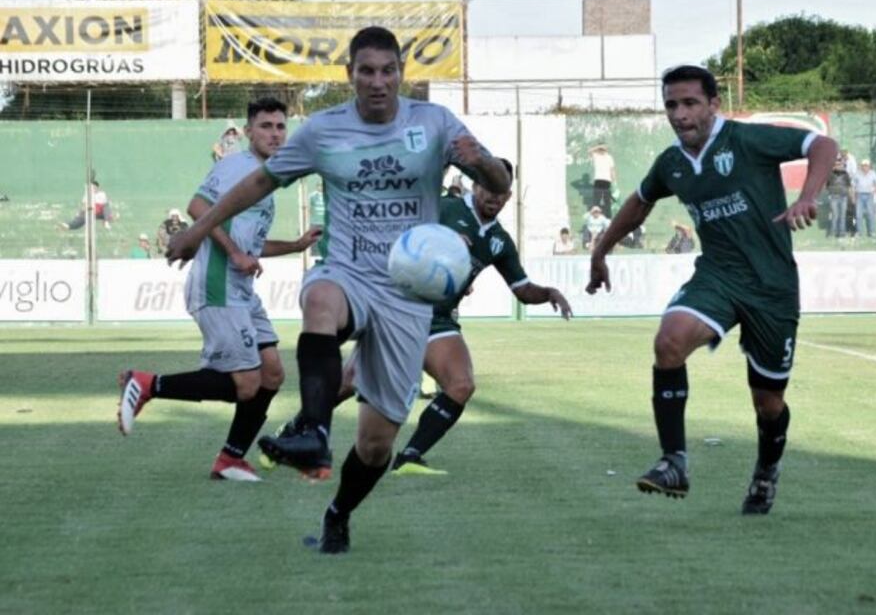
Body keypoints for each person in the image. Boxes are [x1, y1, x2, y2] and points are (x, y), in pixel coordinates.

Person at [165, 27, 510, 554]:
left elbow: (498, 183)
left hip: (408, 295)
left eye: (387, 71)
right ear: (349, 75)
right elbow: (258, 183)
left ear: (401, 74)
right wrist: (195, 231)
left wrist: (481, 163)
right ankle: (315, 433)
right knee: (318, 301)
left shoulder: (434, 122)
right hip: (348, 269)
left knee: (376, 445)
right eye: (366, 71)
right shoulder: (323, 130)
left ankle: (338, 514)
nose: (378, 82)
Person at [586, 65, 837, 515]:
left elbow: (823, 143)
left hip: (771, 287)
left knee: (768, 403)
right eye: (671, 105)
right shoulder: (673, 164)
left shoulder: (747, 141)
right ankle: (674, 461)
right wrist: (600, 251)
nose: (679, 115)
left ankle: (765, 471)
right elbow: (640, 202)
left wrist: (808, 196)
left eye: (689, 103)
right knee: (669, 341)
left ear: (713, 104)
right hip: (717, 277)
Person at [320, 159, 572, 475]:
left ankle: (410, 457)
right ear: (476, 185)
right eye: (489, 188)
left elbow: (522, 290)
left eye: (502, 192)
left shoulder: (499, 241)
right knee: (349, 381)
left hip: (439, 320)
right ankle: (296, 429)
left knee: (461, 385)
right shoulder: (444, 208)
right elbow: (397, 237)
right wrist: (441, 240)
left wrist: (548, 292)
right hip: (400, 309)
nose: (495, 197)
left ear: (509, 196)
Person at [117, 97, 322, 483]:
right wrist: (233, 254)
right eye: (266, 126)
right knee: (246, 383)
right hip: (217, 283)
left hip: (241, 289)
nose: (275, 134)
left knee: (272, 374)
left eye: (280, 127)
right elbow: (197, 207)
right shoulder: (237, 166)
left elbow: (252, 247)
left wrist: (294, 246)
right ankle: (145, 384)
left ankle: (230, 459)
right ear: (248, 132)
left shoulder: (266, 175)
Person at [852, 159, 876, 238]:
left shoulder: (873, 173)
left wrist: (875, 192)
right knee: (858, 215)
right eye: (864, 165)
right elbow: (853, 186)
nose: (865, 167)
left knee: (871, 214)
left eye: (866, 165)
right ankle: (858, 232)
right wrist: (853, 197)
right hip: (859, 195)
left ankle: (872, 232)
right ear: (861, 166)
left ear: (869, 166)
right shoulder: (857, 174)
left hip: (869, 195)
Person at [825, 155, 852, 241]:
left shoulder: (846, 174)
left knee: (843, 216)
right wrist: (830, 194)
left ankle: (842, 233)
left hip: (844, 197)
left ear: (842, 164)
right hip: (834, 197)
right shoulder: (830, 174)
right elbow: (827, 185)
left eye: (839, 164)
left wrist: (850, 196)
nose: (838, 165)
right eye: (836, 164)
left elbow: (849, 185)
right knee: (835, 215)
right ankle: (833, 233)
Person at [589, 143, 617, 217]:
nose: (602, 150)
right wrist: (598, 147)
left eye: (603, 149)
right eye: (601, 149)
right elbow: (589, 151)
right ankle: (594, 217)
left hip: (607, 181)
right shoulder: (595, 156)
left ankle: (608, 218)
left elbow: (612, 170)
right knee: (596, 200)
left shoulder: (609, 157)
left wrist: (614, 182)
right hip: (598, 180)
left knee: (607, 200)